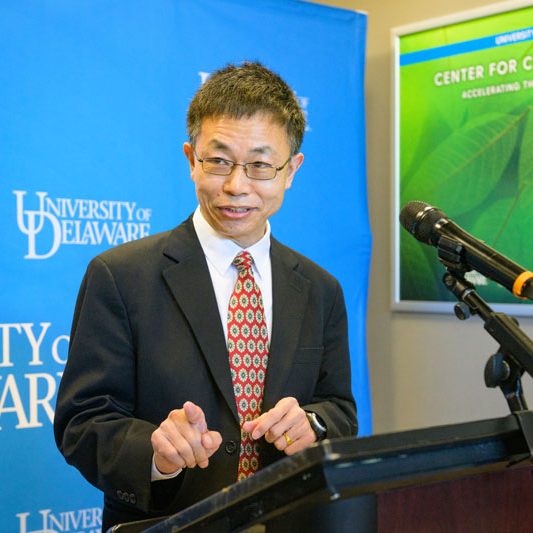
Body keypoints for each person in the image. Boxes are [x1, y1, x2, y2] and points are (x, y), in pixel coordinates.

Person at [54, 61, 357, 531]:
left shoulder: (320, 288)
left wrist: (313, 425)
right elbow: (83, 421)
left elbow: (338, 408)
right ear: (190, 159)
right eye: (218, 161)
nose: (237, 186)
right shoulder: (120, 276)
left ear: (291, 170)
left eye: (260, 165)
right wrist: (155, 450)